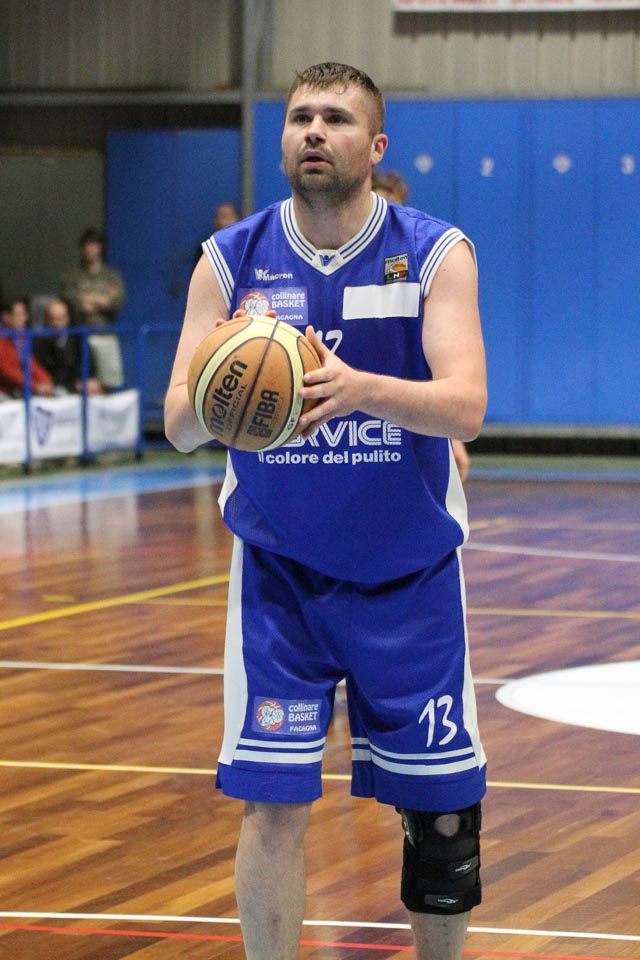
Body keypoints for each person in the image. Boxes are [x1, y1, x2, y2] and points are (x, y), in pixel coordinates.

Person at [165, 62, 487, 960]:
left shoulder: (436, 252)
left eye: (337, 118)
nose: (314, 130)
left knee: (443, 821)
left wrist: (356, 389)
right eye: (300, 116)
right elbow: (179, 425)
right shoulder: (228, 261)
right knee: (271, 807)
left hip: (410, 577)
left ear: (374, 146)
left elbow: (466, 406)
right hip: (280, 581)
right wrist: (229, 386)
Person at [372, 169, 471, 482]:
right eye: (379, 206)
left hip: (404, 429)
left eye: (395, 209)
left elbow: (437, 368)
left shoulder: (412, 269)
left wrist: (451, 437)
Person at [61, 228, 126, 390]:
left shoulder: (111, 276)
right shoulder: (72, 276)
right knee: (83, 383)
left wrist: (89, 298)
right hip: (79, 335)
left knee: (108, 381)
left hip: (105, 332)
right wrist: (101, 298)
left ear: (101, 248)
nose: (90, 249)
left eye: (95, 244)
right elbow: (70, 299)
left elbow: (117, 301)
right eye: (87, 245)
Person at [32, 298, 103, 395]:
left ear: (67, 318)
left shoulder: (79, 340)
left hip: (81, 392)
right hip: (55, 392)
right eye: (52, 319)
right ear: (47, 320)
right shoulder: (39, 344)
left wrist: (90, 382)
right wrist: (73, 386)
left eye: (60, 319)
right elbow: (45, 375)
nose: (56, 324)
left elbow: (90, 368)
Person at [0, 297, 55, 398]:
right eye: (19, 315)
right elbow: (7, 371)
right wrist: (35, 386)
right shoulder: (2, 339)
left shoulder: (21, 337)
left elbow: (30, 363)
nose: (24, 319)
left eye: (24, 314)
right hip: (5, 392)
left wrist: (46, 380)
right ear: (6, 317)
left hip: (21, 390)